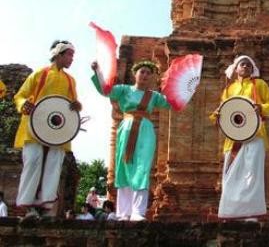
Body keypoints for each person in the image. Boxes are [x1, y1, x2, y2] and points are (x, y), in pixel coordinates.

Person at [91, 60, 171, 221]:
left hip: (145, 131)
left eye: (149, 73)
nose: (145, 75)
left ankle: (138, 211)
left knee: (142, 168)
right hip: (126, 128)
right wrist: (98, 71)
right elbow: (106, 90)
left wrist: (187, 90)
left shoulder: (154, 96)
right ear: (135, 74)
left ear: (152, 78)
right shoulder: (124, 90)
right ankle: (123, 212)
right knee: (123, 168)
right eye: (142, 72)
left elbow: (172, 103)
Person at [14, 40, 82, 218]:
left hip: (58, 130)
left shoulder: (70, 80)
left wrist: (77, 106)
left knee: (54, 163)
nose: (72, 59)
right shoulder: (40, 74)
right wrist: (24, 105)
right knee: (33, 161)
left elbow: (72, 105)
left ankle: (45, 205)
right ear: (58, 55)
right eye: (69, 55)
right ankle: (25, 205)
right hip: (35, 127)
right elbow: (20, 96)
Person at [210, 55, 269, 220]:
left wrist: (260, 107)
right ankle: (231, 212)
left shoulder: (259, 84)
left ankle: (250, 214)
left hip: (256, 135)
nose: (245, 67)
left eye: (248, 65)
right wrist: (217, 115)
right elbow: (223, 111)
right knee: (230, 174)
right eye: (242, 64)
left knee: (252, 174)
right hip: (233, 139)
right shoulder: (228, 90)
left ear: (252, 70)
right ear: (235, 69)